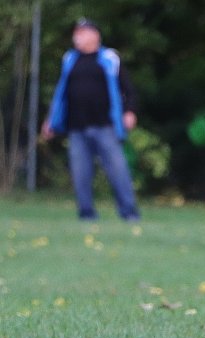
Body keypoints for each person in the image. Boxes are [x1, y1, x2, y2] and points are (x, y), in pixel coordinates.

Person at [41, 18, 140, 221]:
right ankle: (86, 214)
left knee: (118, 171)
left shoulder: (110, 58)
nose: (77, 36)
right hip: (76, 128)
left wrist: (129, 111)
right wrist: (51, 120)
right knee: (81, 175)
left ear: (95, 35)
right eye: (76, 32)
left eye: (82, 32)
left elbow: (128, 89)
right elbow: (61, 93)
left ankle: (129, 213)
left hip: (105, 126)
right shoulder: (69, 59)